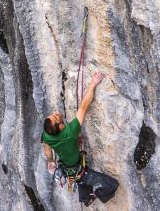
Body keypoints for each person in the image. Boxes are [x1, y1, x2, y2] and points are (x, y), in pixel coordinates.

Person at [41, 71, 119, 206]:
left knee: (81, 178)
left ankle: (85, 198)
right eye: (55, 117)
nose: (55, 113)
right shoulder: (70, 132)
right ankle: (94, 195)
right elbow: (84, 105)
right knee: (112, 185)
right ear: (60, 127)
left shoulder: (47, 135)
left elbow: (47, 148)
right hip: (80, 171)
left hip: (67, 167)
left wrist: (51, 161)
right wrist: (93, 83)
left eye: (52, 115)